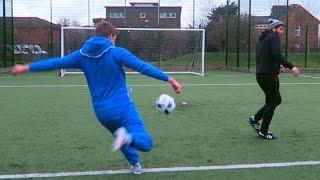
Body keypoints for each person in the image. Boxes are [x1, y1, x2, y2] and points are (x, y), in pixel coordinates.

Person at [12, 20, 182, 174]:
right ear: (111, 36)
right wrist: (169, 79)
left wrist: (26, 67)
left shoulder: (81, 55)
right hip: (122, 107)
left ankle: (135, 165)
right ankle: (128, 138)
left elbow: (56, 62)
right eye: (114, 38)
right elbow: (143, 67)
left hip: (102, 113)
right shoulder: (117, 52)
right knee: (145, 142)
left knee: (120, 136)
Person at [248, 19, 299, 140]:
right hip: (269, 76)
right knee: (272, 102)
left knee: (276, 100)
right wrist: (291, 66)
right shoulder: (273, 37)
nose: (282, 32)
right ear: (274, 29)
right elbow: (276, 54)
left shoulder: (262, 40)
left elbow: (267, 56)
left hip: (261, 75)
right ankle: (263, 131)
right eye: (281, 29)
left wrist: (278, 66)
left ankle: (254, 119)